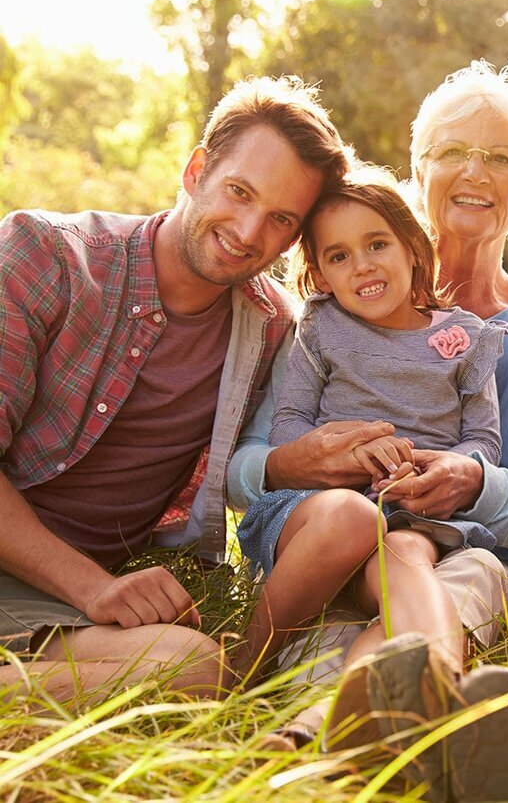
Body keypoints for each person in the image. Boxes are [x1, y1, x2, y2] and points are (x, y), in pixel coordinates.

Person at [227, 61, 508, 799]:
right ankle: (440, 727)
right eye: (454, 151)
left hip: (457, 556)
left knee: (446, 590)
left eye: (501, 159)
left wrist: (473, 481)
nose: (475, 171)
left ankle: (303, 742)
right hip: (323, 556)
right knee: (352, 611)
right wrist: (305, 462)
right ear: (419, 170)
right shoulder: (327, 317)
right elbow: (243, 475)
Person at [0, 76, 349, 700]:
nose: (247, 231)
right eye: (239, 192)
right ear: (196, 172)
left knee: (197, 669)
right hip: (60, 579)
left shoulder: (272, 330)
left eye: (280, 220)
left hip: (49, 604)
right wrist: (94, 588)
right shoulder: (46, 256)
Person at [231, 164, 508, 686]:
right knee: (355, 518)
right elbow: (288, 425)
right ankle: (246, 663)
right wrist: (338, 455)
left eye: (376, 244)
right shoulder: (321, 327)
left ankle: (434, 689)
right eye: (339, 256)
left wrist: (447, 467)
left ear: (412, 246)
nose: (361, 266)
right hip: (319, 513)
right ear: (321, 275)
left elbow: (484, 441)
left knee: (404, 551)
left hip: (411, 515)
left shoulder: (466, 339)